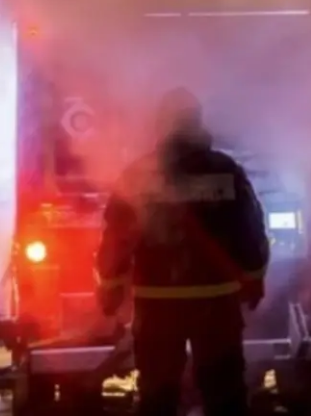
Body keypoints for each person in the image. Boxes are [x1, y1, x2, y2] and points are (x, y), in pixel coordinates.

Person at [94, 87, 270, 416]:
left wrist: (110, 286)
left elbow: (117, 236)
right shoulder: (225, 171)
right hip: (216, 303)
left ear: (161, 125)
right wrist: (254, 278)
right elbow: (249, 230)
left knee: (157, 398)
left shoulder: (138, 175)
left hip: (156, 304)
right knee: (225, 396)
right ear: (197, 122)